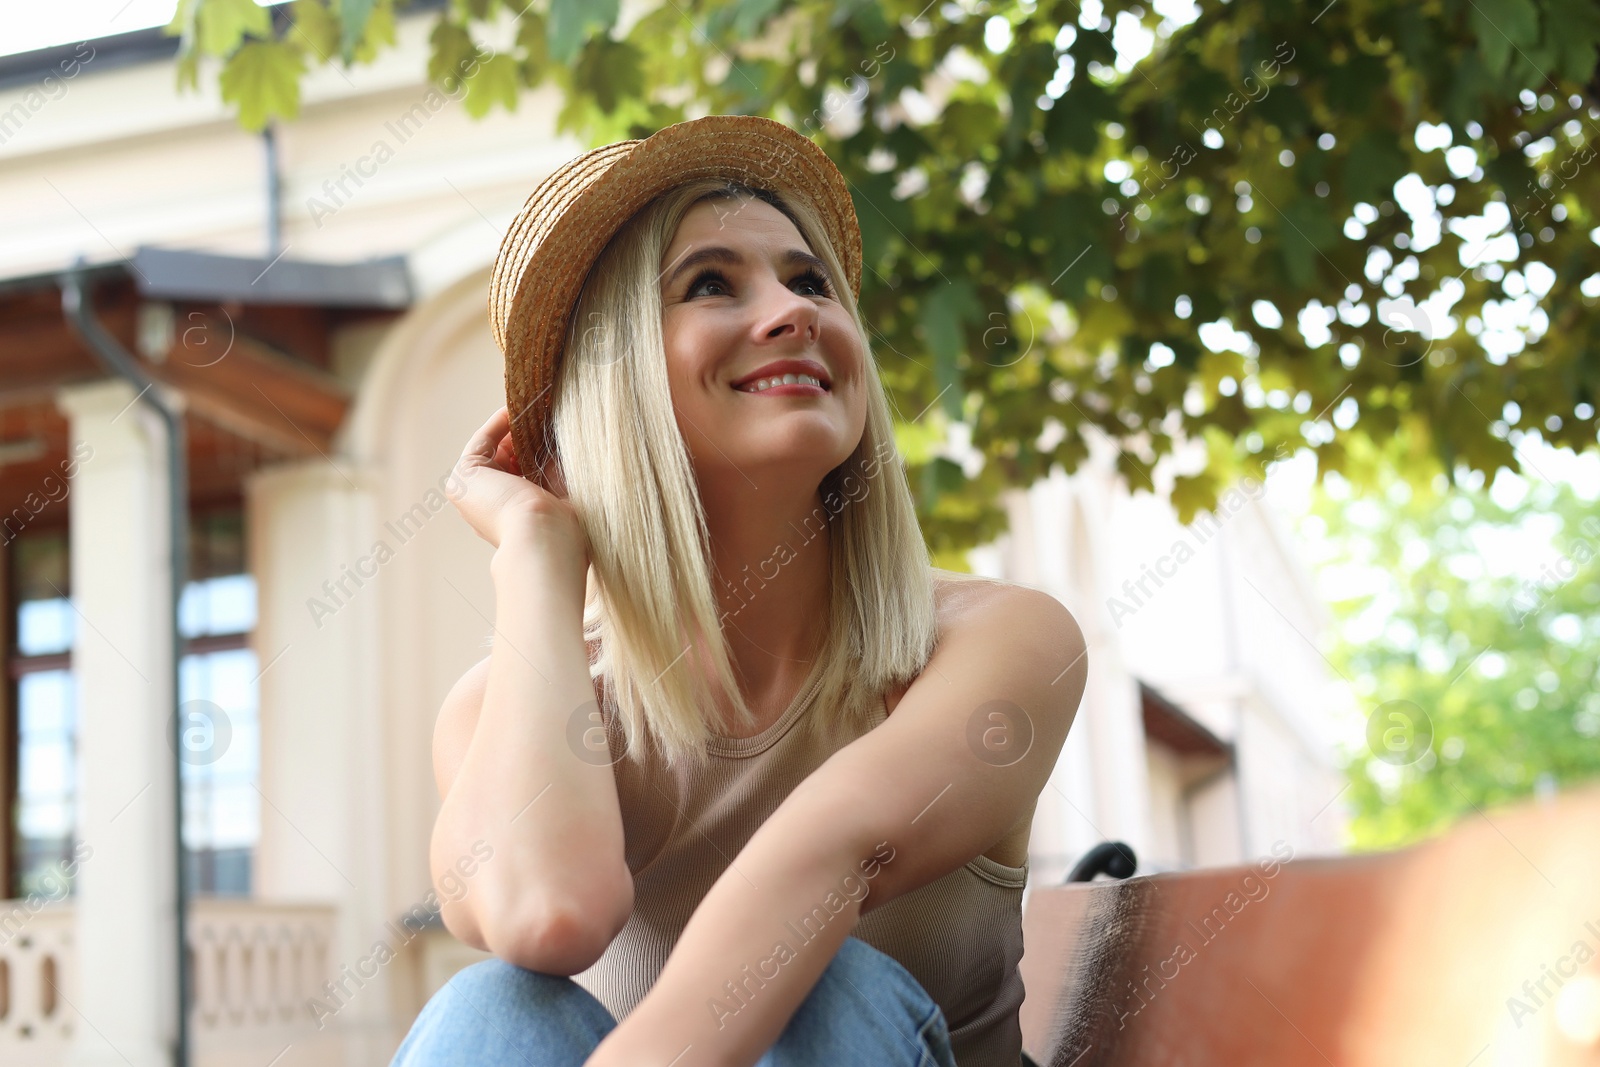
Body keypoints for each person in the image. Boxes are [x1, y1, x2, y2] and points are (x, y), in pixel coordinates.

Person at [392, 115, 1087, 1067]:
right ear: (613, 383)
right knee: (494, 1009)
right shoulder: (498, 708)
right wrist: (536, 554)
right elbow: (545, 915)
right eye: (711, 283)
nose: (794, 310)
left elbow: (826, 857)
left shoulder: (998, 642)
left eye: (810, 282)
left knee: (825, 986)